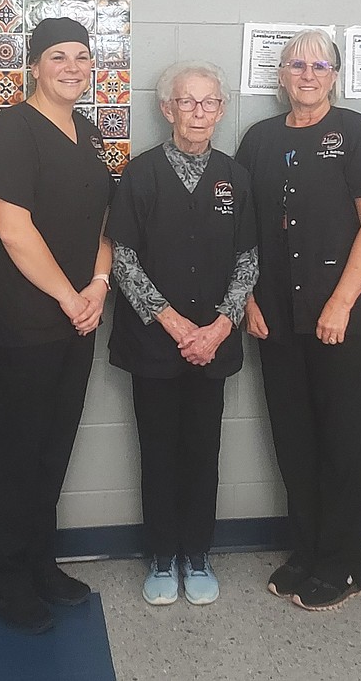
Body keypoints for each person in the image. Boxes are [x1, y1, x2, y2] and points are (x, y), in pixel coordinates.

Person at [235, 28, 361, 612]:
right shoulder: (258, 139)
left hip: (346, 315)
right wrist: (249, 298)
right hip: (276, 314)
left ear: (334, 75)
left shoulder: (355, 133)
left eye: (319, 64)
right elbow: (245, 228)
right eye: (296, 64)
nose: (307, 74)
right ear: (280, 75)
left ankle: (347, 562)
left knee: (342, 438)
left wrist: (341, 303)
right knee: (294, 435)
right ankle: (307, 549)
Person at [0, 17, 114, 634]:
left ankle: (40, 562)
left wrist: (98, 287)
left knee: (56, 443)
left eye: (82, 56)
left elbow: (106, 223)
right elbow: (12, 229)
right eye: (59, 56)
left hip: (78, 313)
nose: (73, 67)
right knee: (22, 445)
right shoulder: (9, 132)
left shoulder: (88, 133)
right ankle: (5, 578)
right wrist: (67, 295)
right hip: (25, 315)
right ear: (33, 65)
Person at [107, 61, 257, 607]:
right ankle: (162, 557)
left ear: (221, 109)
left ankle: (198, 554)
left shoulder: (235, 177)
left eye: (210, 102)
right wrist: (173, 324)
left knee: (203, 450)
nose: (199, 112)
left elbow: (248, 257)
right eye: (187, 102)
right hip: (155, 344)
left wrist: (219, 326)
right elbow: (122, 258)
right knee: (158, 450)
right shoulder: (140, 175)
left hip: (213, 345)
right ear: (167, 109)